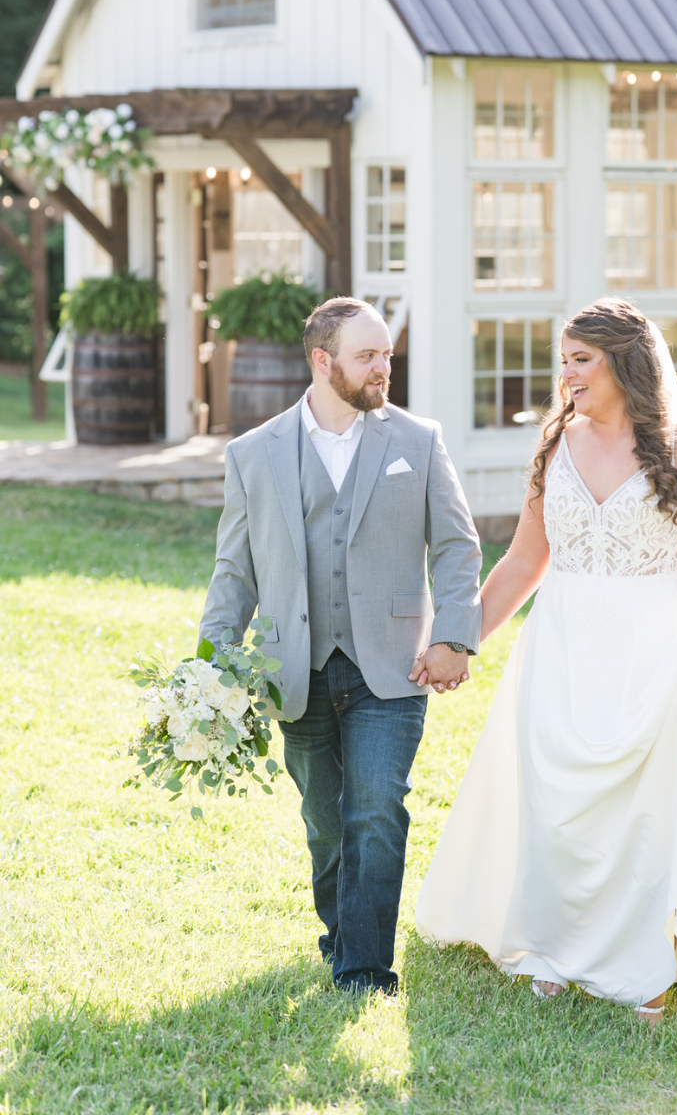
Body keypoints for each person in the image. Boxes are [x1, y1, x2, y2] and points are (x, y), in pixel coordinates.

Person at [415, 298, 677, 1021]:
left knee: (645, 814)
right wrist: (458, 639)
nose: (567, 376)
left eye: (581, 360)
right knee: (557, 808)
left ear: (625, 363)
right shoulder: (556, 446)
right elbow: (524, 562)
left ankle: (645, 961)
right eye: (564, 361)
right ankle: (556, 948)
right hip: (561, 646)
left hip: (654, 648)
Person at [199, 296, 482, 995]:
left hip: (392, 665)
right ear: (323, 362)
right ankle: (341, 935)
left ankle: (363, 969)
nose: (385, 366)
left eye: (387, 353)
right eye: (368, 355)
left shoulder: (417, 442)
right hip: (296, 670)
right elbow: (234, 571)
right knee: (326, 824)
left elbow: (455, 546)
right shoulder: (252, 455)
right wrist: (209, 667)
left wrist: (454, 637)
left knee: (377, 809)